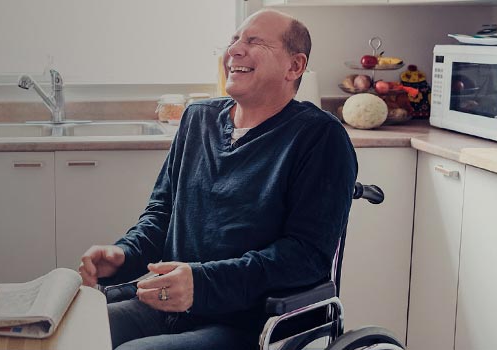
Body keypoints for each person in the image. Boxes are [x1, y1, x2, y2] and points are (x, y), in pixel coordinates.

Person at [75, 9, 359, 349]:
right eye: (233, 40)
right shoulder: (198, 119)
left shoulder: (320, 137)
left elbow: (305, 256)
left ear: (294, 66)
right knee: (74, 333)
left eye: (254, 41)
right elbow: (162, 214)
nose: (234, 50)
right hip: (169, 304)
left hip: (249, 322)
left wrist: (202, 283)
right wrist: (124, 254)